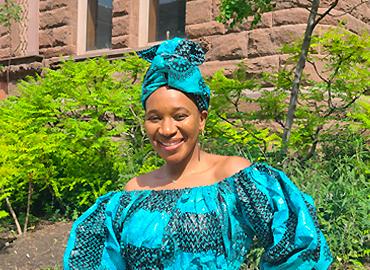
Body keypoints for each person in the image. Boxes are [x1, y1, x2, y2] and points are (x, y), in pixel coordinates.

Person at [63, 38, 333, 269]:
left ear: (201, 119)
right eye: (154, 118)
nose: (167, 129)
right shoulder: (132, 193)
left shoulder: (236, 178)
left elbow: (299, 246)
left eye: (180, 116)